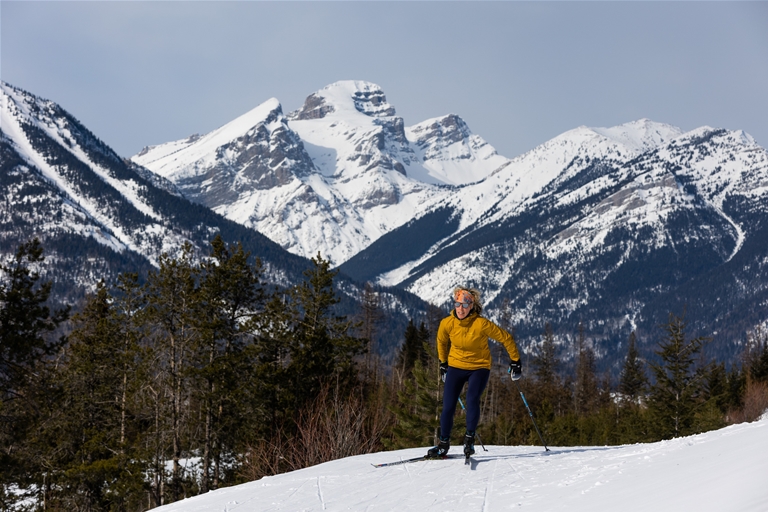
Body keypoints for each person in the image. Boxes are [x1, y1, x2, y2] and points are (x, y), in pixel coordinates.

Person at [427, 287, 522, 458]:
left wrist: (516, 361)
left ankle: (469, 440)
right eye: (458, 304)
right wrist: (443, 363)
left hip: (479, 367)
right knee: (448, 406)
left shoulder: (481, 324)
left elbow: (505, 338)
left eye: (465, 305)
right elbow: (441, 341)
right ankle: (443, 444)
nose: (461, 309)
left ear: (472, 306)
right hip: (456, 366)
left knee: (472, 399)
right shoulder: (447, 323)